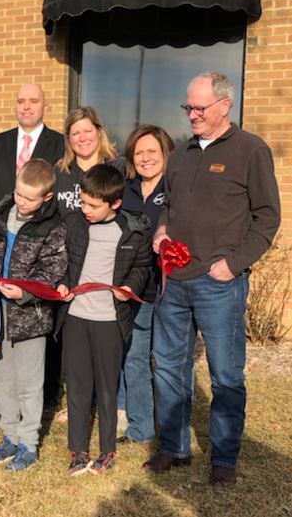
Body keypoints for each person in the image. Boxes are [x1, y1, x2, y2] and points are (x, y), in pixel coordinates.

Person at [145, 72, 280, 486]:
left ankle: (224, 458)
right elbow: (168, 203)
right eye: (188, 107)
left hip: (219, 284)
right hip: (175, 280)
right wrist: (162, 230)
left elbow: (268, 216)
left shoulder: (251, 150)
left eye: (199, 108)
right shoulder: (182, 152)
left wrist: (234, 263)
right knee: (168, 367)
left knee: (225, 374)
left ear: (225, 105)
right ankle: (172, 448)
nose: (192, 115)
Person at [55, 164, 152, 476]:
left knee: (108, 388)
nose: (85, 209)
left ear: (115, 204)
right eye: (83, 202)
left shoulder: (133, 231)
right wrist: (61, 284)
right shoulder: (73, 223)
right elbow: (61, 260)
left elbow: (141, 266)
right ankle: (78, 451)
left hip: (109, 320)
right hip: (76, 318)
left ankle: (107, 451)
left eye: (93, 205)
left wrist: (130, 287)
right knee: (79, 387)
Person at [0, 159, 66, 472]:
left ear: (46, 197)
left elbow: (53, 270)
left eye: (30, 198)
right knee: (1, 378)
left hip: (32, 316)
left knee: (29, 383)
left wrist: (26, 293)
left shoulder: (53, 227)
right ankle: (11, 436)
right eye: (18, 194)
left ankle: (29, 443)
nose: (22, 202)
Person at [50, 106, 125, 411]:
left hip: (105, 263)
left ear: (98, 131)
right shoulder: (61, 173)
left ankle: (111, 403)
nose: (82, 137)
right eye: (75, 132)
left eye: (87, 130)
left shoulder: (117, 167)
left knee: (106, 337)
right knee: (75, 337)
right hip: (70, 265)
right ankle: (79, 401)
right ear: (68, 138)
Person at [116, 124, 175, 445]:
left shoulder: (177, 189)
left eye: (152, 151)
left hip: (169, 289)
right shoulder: (125, 191)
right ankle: (137, 423)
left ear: (165, 153)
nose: (145, 158)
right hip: (133, 288)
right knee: (133, 355)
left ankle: (161, 425)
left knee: (164, 361)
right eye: (139, 153)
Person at [0, 84, 65, 212]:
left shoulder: (61, 143)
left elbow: (60, 189)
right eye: (21, 101)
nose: (26, 107)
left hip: (42, 227)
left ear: (45, 108)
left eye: (34, 101)